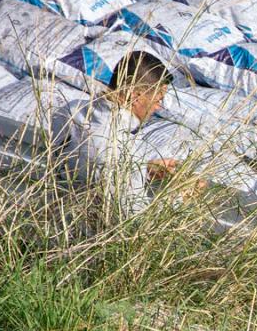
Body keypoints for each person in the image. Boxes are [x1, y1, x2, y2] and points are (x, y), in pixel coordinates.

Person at [56, 51, 178, 215]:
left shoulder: (71, 110)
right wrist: (179, 197)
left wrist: (144, 169)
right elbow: (133, 221)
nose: (158, 107)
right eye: (157, 100)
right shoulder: (121, 148)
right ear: (135, 96)